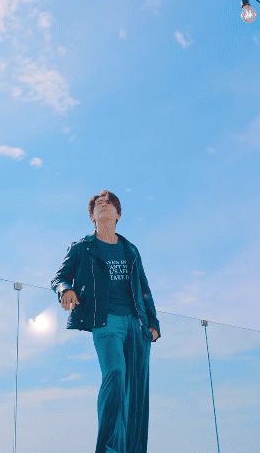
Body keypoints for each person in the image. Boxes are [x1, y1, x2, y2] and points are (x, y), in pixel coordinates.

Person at [51, 190, 160, 453]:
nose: (103, 205)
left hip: (137, 324)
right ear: (92, 216)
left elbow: (144, 290)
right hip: (105, 322)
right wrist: (66, 290)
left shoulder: (131, 250)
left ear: (117, 214)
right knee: (115, 373)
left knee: (136, 390)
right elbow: (59, 277)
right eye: (98, 204)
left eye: (108, 203)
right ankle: (109, 448)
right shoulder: (82, 247)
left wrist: (153, 324)